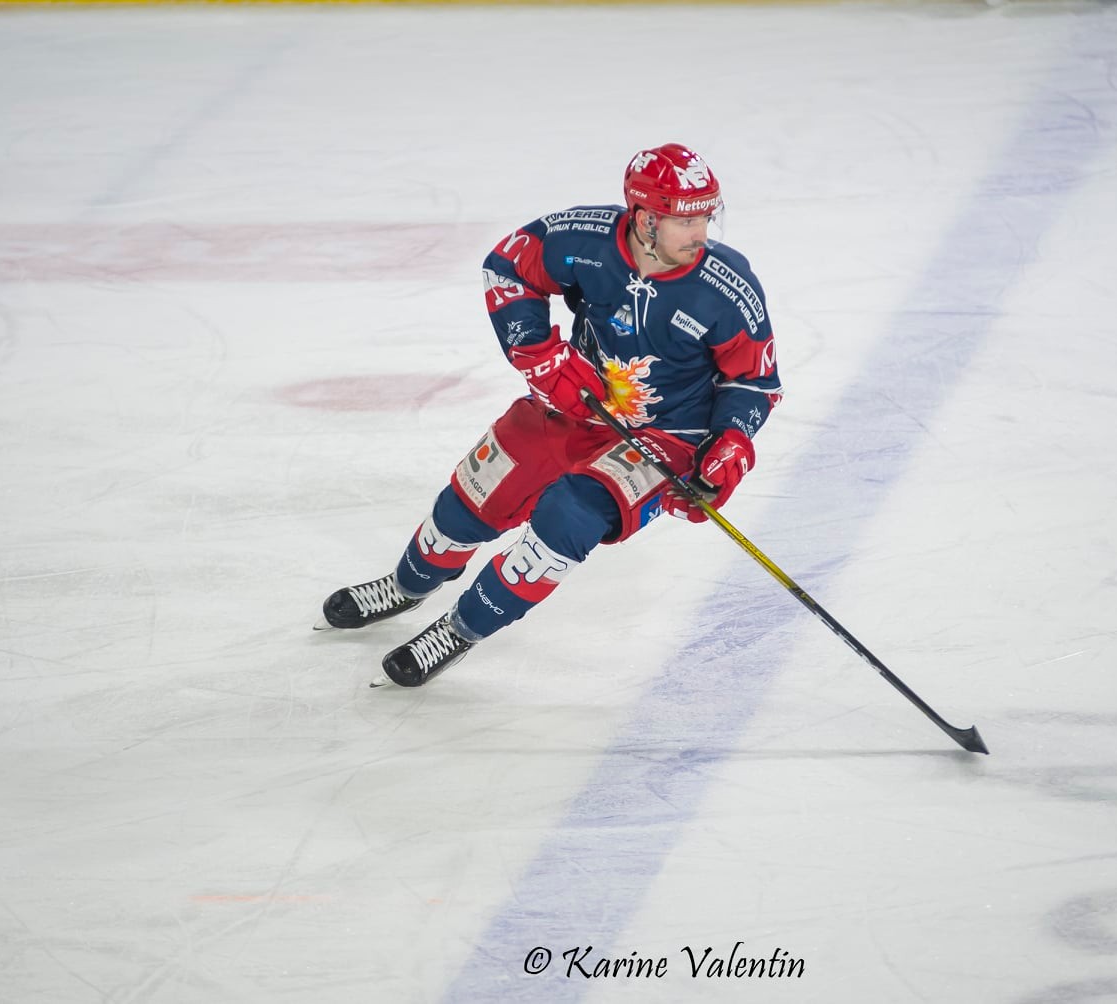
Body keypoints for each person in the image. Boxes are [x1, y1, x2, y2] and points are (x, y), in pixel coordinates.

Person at [318, 143, 783, 687]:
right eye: (686, 218)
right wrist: (538, 354)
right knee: (472, 502)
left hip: (666, 437)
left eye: (707, 213)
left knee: (570, 516)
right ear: (644, 218)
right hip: (574, 404)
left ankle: (461, 629)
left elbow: (754, 381)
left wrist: (731, 444)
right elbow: (507, 267)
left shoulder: (726, 288)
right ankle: (407, 584)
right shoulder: (583, 239)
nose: (701, 230)